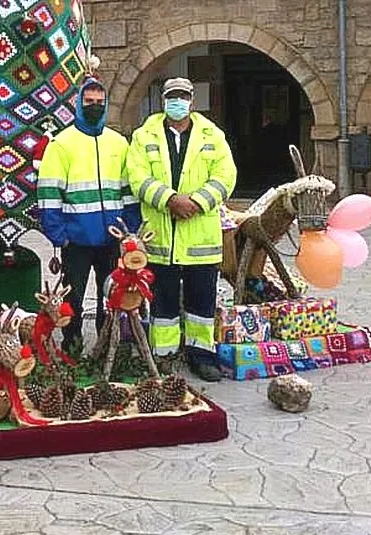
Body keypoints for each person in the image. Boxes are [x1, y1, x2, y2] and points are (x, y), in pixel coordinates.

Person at [127, 77, 237, 382]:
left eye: (183, 97)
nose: (177, 102)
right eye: (172, 97)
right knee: (162, 303)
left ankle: (201, 356)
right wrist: (170, 200)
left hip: (200, 240)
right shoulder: (143, 135)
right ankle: (163, 355)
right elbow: (137, 177)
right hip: (161, 238)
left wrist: (197, 202)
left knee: (201, 304)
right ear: (164, 100)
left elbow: (226, 176)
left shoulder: (213, 135)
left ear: (191, 100)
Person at [36, 77, 141, 353]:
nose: (95, 106)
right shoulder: (61, 144)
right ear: (79, 104)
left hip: (112, 238)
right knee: (73, 298)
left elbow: (128, 189)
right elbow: (48, 192)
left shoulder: (119, 143)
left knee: (112, 296)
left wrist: (130, 228)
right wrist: (59, 235)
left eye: (99, 102)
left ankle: (105, 347)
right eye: (89, 101)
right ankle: (72, 347)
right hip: (76, 239)